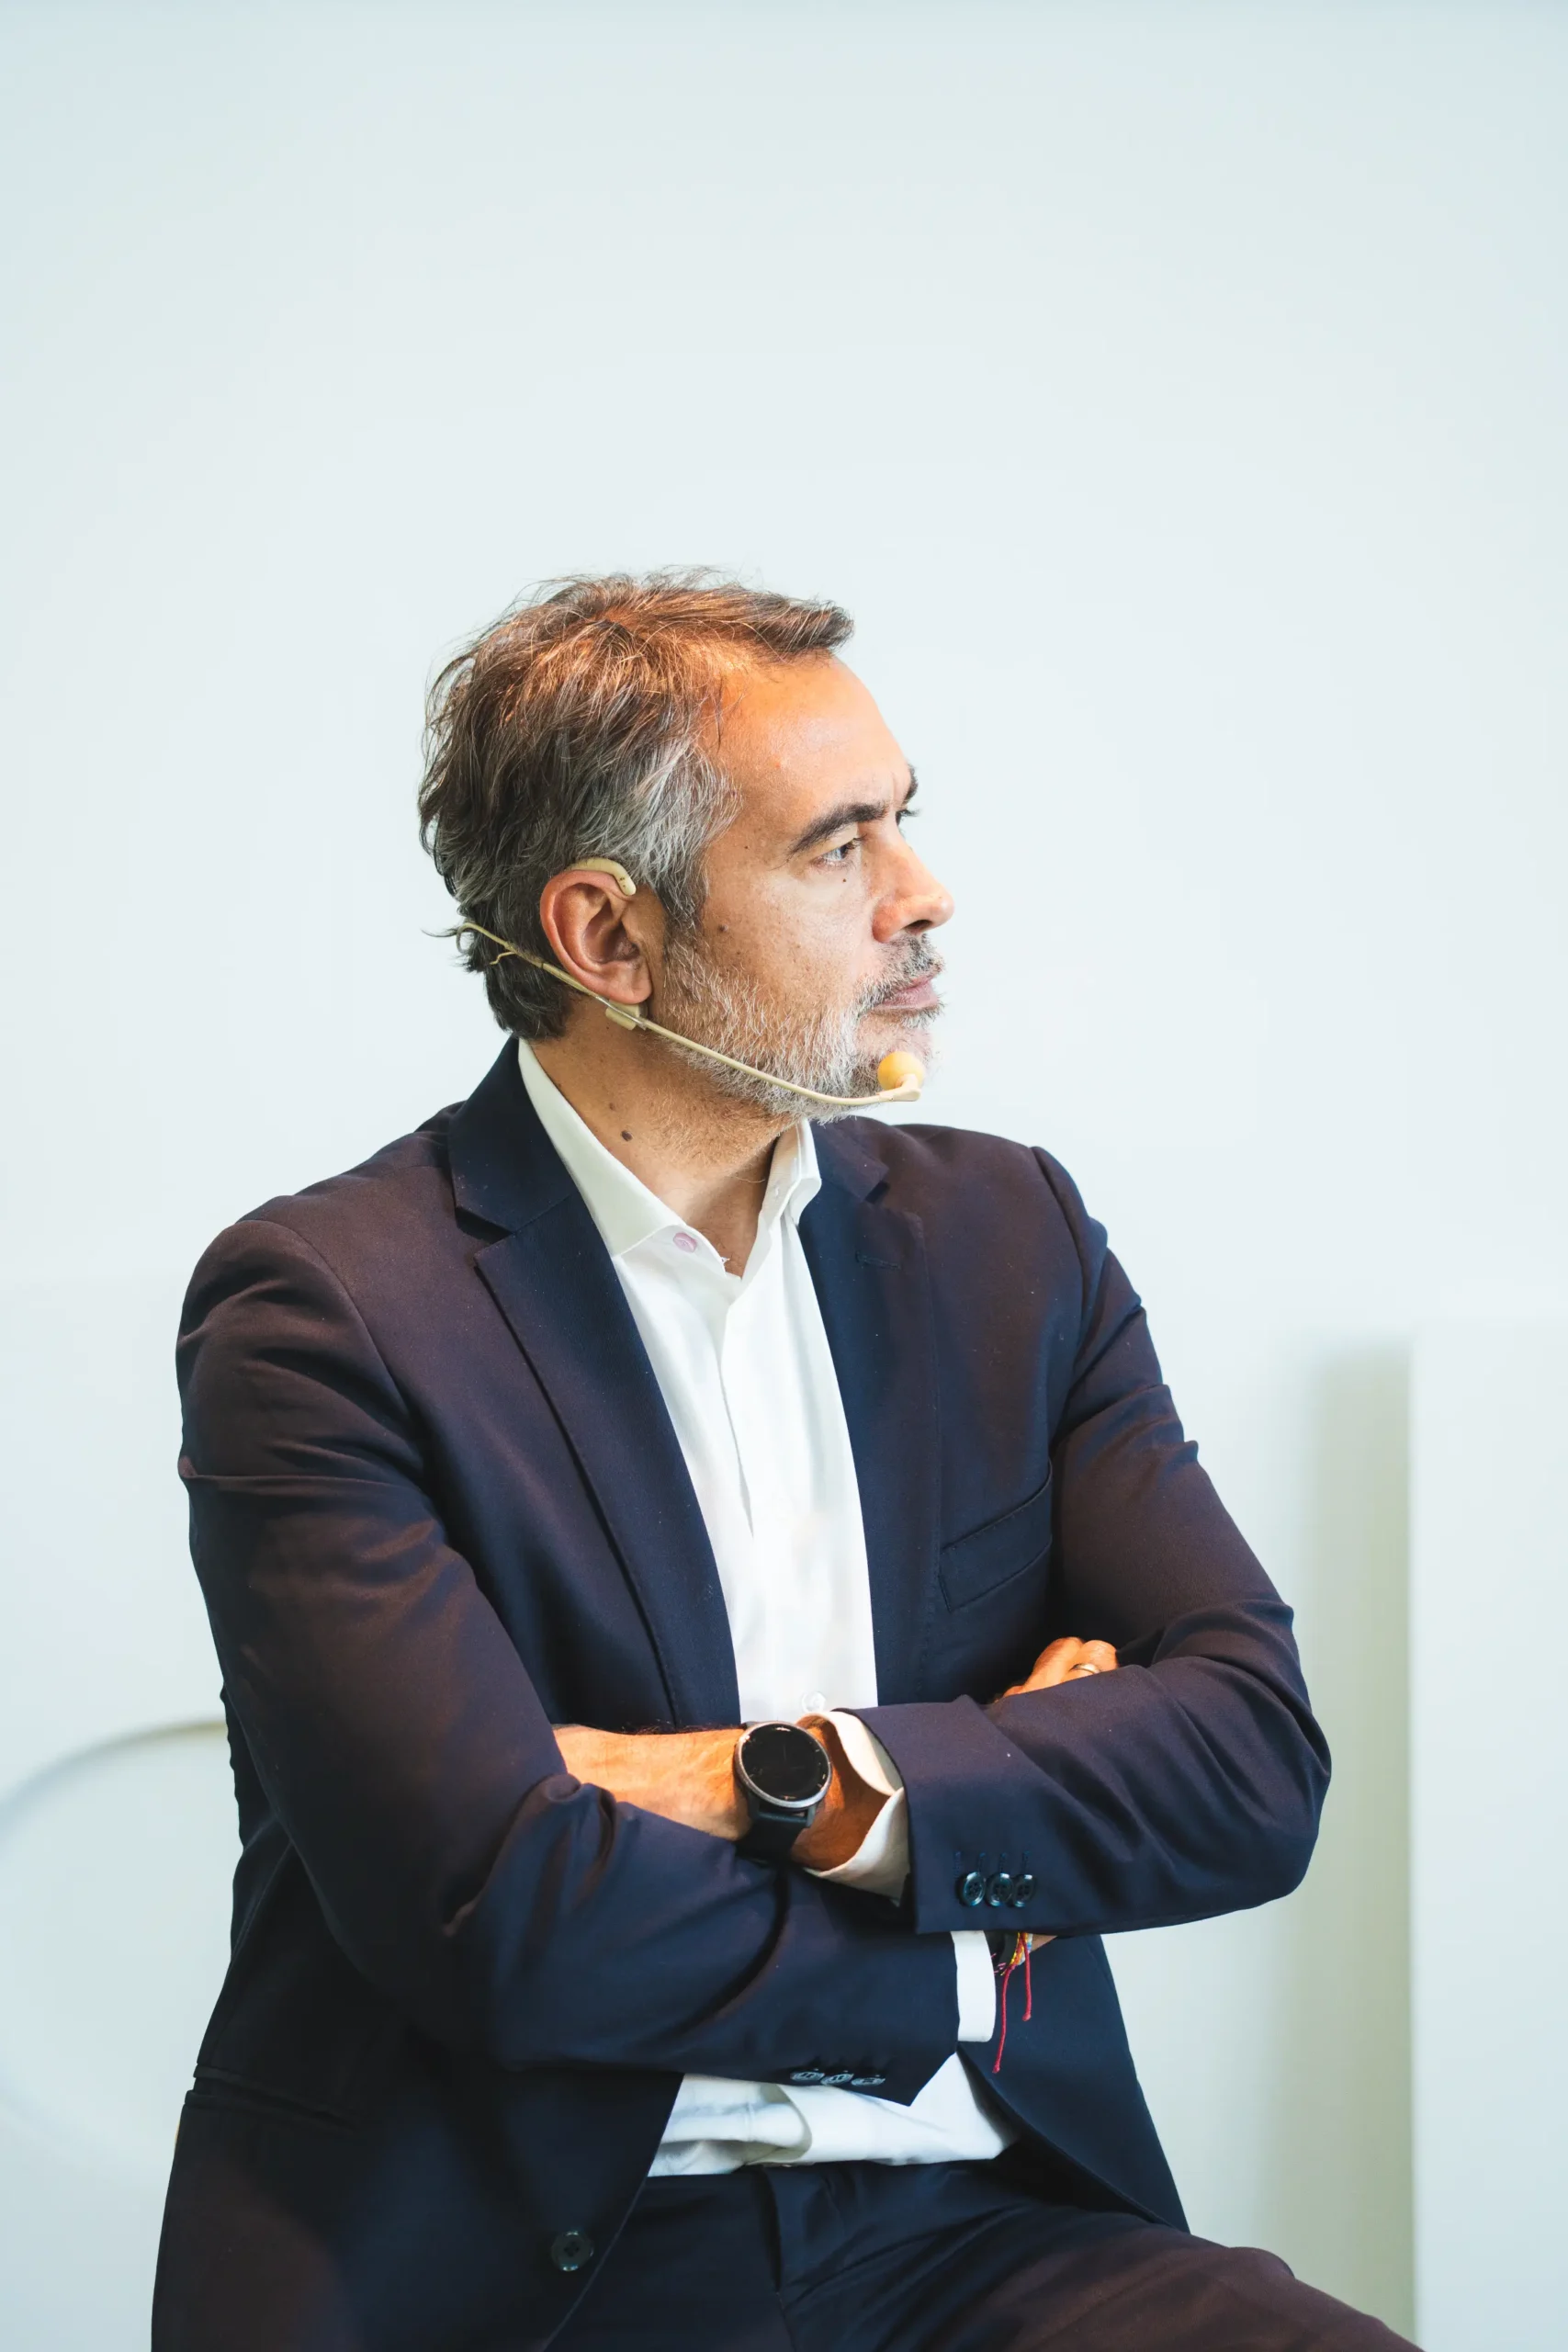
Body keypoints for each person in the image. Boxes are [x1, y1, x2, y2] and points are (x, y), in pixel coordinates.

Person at [153, 574, 1415, 2350]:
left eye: (904, 818)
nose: (923, 892)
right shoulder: (328, 1311)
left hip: (981, 2232)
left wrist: (791, 1781)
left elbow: (1250, 1764)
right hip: (528, 2275)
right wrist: (977, 1920)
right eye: (838, 847)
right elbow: (504, 1917)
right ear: (607, 935)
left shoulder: (1008, 1241)